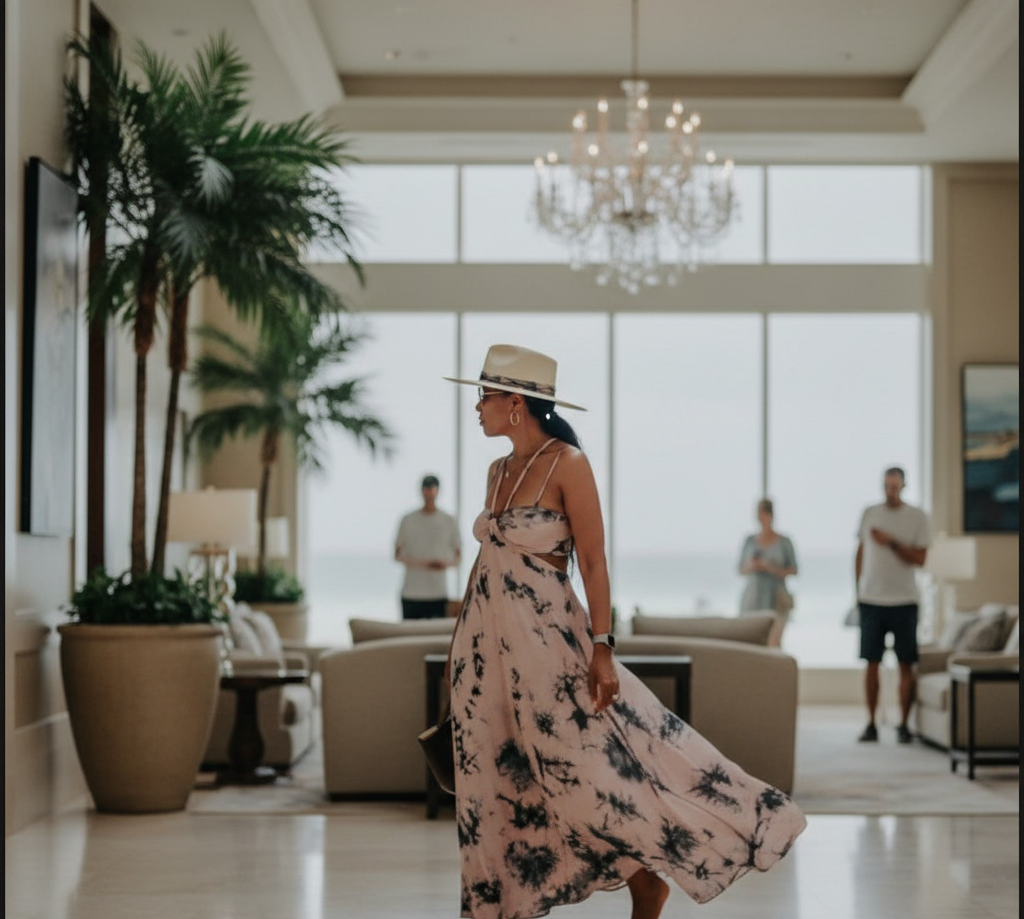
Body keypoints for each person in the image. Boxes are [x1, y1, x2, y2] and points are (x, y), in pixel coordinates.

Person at [443, 344, 805, 919]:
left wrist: (602, 648)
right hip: (485, 653)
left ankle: (648, 881)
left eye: (484, 395)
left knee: (588, 773)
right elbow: (485, 565)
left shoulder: (569, 465)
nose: (475, 407)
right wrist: (457, 652)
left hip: (550, 650)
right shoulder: (497, 471)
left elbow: (593, 563)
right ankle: (497, 907)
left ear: (517, 404)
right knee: (496, 780)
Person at [855, 467, 930, 744]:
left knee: (905, 665)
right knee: (871, 663)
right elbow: (861, 552)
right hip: (871, 600)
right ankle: (871, 724)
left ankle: (903, 725)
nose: (891, 491)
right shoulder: (869, 513)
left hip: (904, 601)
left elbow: (921, 559)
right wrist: (858, 591)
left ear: (904, 486)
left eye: (896, 487)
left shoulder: (917, 517)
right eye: (887, 486)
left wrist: (892, 542)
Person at [394, 474, 461, 620]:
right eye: (426, 488)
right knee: (410, 636)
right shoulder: (408, 520)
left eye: (432, 488)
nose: (429, 492)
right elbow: (397, 554)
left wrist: (443, 564)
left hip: (438, 592)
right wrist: (424, 564)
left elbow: (458, 556)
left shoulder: (448, 521)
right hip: (411, 593)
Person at [738, 498, 798, 646]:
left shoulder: (784, 542)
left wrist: (769, 567)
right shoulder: (750, 541)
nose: (760, 517)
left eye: (763, 513)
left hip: (775, 598)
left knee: (773, 642)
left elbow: (794, 569)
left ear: (770, 514)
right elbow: (740, 569)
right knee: (750, 642)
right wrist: (752, 565)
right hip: (753, 598)